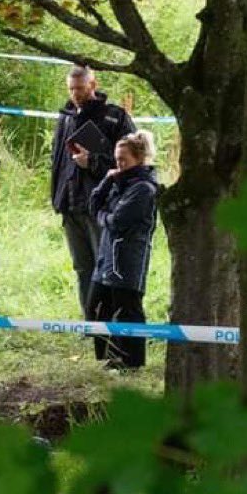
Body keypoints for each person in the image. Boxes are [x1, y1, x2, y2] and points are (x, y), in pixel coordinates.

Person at [51, 65, 137, 319]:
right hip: (70, 205)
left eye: (80, 88)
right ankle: (91, 322)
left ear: (93, 85)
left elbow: (132, 164)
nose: (75, 94)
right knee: (82, 268)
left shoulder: (115, 117)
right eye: (71, 89)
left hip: (101, 207)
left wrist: (94, 163)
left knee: (106, 268)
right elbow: (57, 161)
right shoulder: (65, 117)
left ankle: (112, 325)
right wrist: (57, 199)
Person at [87, 131, 159, 370]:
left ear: (139, 159)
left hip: (127, 260)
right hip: (107, 256)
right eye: (116, 159)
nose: (118, 164)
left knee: (127, 310)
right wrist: (107, 180)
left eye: (123, 159)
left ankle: (132, 362)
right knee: (96, 306)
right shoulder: (119, 182)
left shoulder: (143, 189)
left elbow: (117, 221)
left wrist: (101, 216)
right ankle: (108, 357)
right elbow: (94, 204)